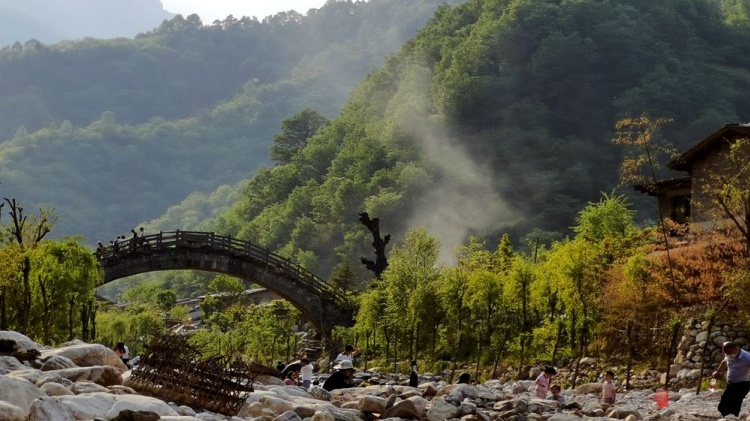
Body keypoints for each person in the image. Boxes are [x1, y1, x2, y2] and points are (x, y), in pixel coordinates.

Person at [713, 342, 750, 416]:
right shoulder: (728, 353)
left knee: (735, 408)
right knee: (722, 407)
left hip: (742, 385)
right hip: (731, 384)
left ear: (735, 349)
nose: (728, 355)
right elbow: (724, 362)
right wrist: (718, 372)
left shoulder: (747, 358)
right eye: (726, 353)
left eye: (729, 353)